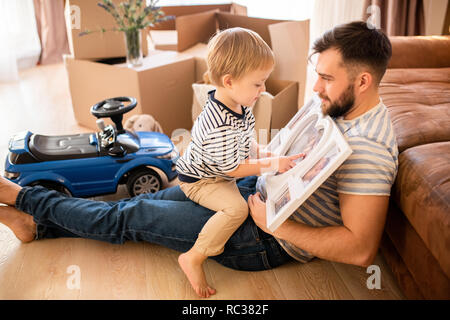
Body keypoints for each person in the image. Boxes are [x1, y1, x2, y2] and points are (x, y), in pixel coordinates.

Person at [0, 21, 398, 297]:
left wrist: (272, 224)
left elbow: (361, 249)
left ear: (362, 81)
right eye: (318, 74)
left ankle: (23, 199)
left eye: (326, 78)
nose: (316, 87)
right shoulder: (343, 108)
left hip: (260, 235)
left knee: (128, 218)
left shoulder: (369, 151)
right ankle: (39, 227)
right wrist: (271, 158)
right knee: (134, 204)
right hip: (245, 187)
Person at [174, 27, 302, 297]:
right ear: (230, 81)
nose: (263, 89)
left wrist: (265, 153)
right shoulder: (217, 123)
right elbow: (232, 168)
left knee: (256, 175)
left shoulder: (240, 104)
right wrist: (272, 164)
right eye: (258, 83)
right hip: (201, 181)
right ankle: (195, 256)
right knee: (236, 209)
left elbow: (246, 142)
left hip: (220, 170)